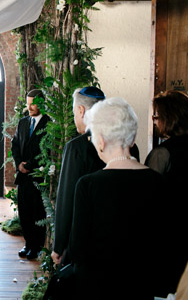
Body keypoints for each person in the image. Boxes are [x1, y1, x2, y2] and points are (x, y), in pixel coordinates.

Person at [69, 97, 164, 300]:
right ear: (132, 137)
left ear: (100, 141)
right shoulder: (158, 182)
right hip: (144, 287)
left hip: (98, 287)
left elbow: (78, 250)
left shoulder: (88, 185)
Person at [51, 86, 140, 266]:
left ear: (81, 110)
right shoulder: (129, 146)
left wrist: (59, 245)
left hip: (87, 238)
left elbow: (67, 197)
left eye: (74, 111)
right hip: (129, 238)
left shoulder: (76, 147)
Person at [145, 90, 188, 296]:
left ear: (169, 117)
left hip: (168, 234)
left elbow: (147, 196)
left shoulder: (162, 153)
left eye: (156, 116)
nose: (155, 121)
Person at [11, 89, 49, 260]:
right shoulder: (23, 122)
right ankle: (27, 243)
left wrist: (31, 165)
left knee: (37, 212)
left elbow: (48, 151)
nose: (30, 107)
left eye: (33, 103)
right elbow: (15, 145)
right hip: (23, 175)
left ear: (41, 103)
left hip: (38, 176)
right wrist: (19, 163)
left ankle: (37, 246)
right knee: (24, 211)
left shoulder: (49, 124)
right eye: (28, 103)